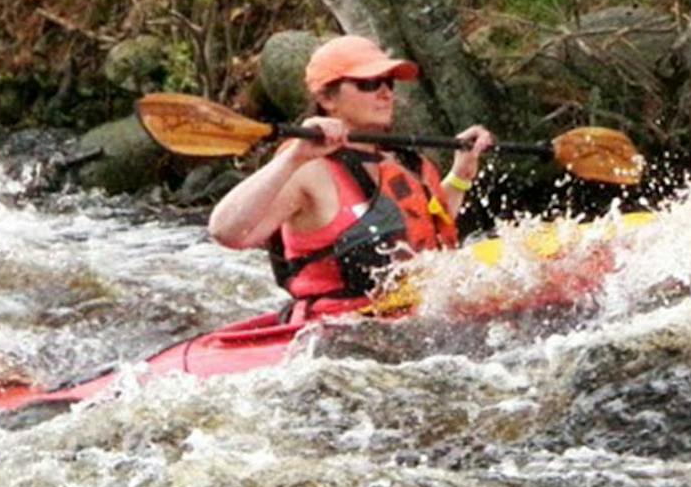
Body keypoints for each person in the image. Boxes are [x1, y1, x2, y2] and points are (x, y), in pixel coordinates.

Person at [208, 34, 494, 320]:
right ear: (326, 98)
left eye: (388, 83)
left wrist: (461, 175)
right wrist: (293, 157)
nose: (385, 93)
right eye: (368, 84)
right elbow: (228, 232)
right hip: (337, 333)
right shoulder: (307, 167)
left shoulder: (409, 162)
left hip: (413, 322)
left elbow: (427, 231)